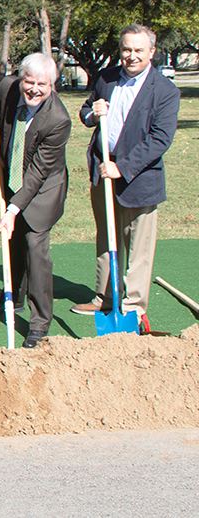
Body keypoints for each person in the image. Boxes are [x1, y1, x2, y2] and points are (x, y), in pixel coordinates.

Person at [71, 24, 180, 320]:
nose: (131, 56)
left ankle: (132, 306)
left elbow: (160, 138)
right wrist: (93, 113)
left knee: (138, 247)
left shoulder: (165, 91)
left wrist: (123, 167)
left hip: (138, 177)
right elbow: (84, 112)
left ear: (152, 52)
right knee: (107, 237)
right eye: (126, 49)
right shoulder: (106, 78)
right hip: (102, 170)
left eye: (138, 51)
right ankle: (104, 297)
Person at [0, 52, 72, 348]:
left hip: (43, 188)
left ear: (53, 85)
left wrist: (12, 209)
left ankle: (40, 321)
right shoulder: (7, 88)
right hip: (10, 175)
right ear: (21, 79)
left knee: (34, 247)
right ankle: (11, 297)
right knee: (14, 241)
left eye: (42, 85)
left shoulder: (58, 120)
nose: (33, 89)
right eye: (29, 82)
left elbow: (37, 173)